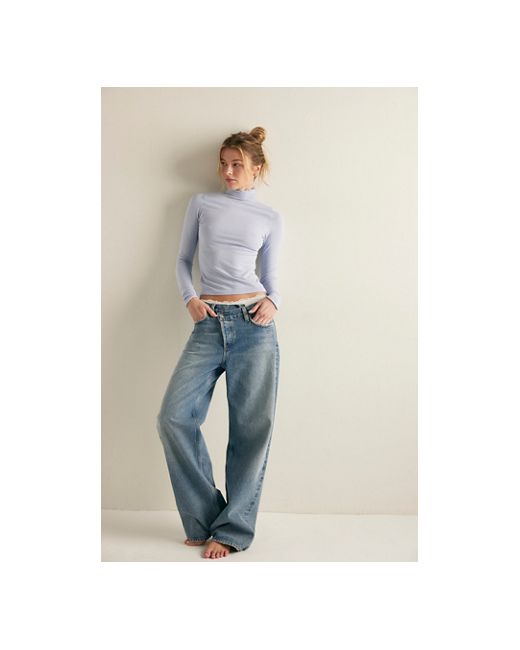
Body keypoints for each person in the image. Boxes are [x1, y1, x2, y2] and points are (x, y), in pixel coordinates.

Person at [156, 127, 283, 559]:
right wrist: (189, 298)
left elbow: (271, 277)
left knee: (251, 431)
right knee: (173, 418)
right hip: (208, 323)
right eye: (224, 164)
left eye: (237, 165)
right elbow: (182, 260)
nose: (227, 172)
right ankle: (206, 516)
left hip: (254, 325)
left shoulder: (270, 218)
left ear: (257, 168)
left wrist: (274, 302)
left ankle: (232, 530)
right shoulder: (201, 204)